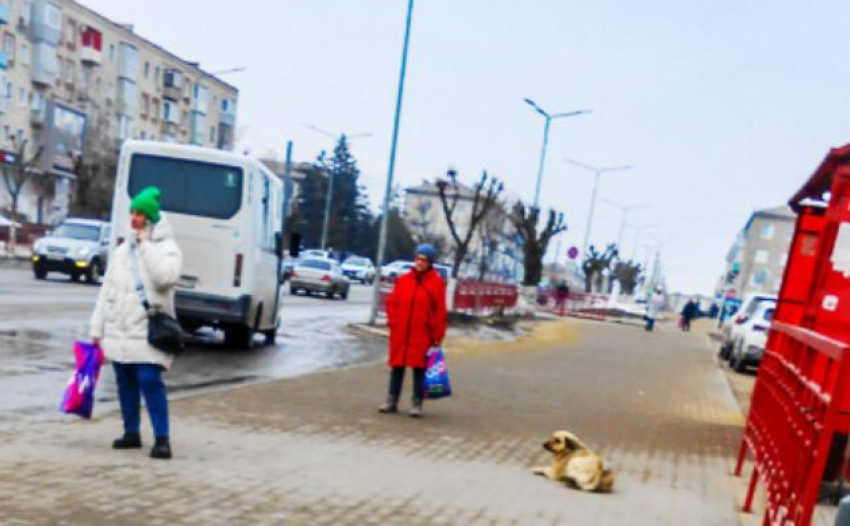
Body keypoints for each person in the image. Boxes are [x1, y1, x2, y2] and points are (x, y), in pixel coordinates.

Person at [90, 187, 183, 460]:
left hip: (147, 328)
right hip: (120, 327)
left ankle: (162, 438)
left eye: (140, 214)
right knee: (125, 380)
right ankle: (131, 432)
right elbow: (106, 291)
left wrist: (145, 246)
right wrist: (97, 327)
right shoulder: (121, 251)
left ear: (151, 219)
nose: (135, 218)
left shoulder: (168, 250)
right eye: (133, 212)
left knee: (149, 379)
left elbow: (165, 278)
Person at [379, 244, 448, 417]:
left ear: (430, 263)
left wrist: (437, 336)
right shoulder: (404, 280)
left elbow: (440, 312)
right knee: (397, 367)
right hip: (401, 332)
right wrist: (393, 321)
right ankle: (391, 400)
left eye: (424, 260)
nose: (420, 263)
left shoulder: (436, 283)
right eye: (418, 259)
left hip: (422, 334)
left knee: (419, 369)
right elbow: (392, 302)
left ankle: (417, 403)